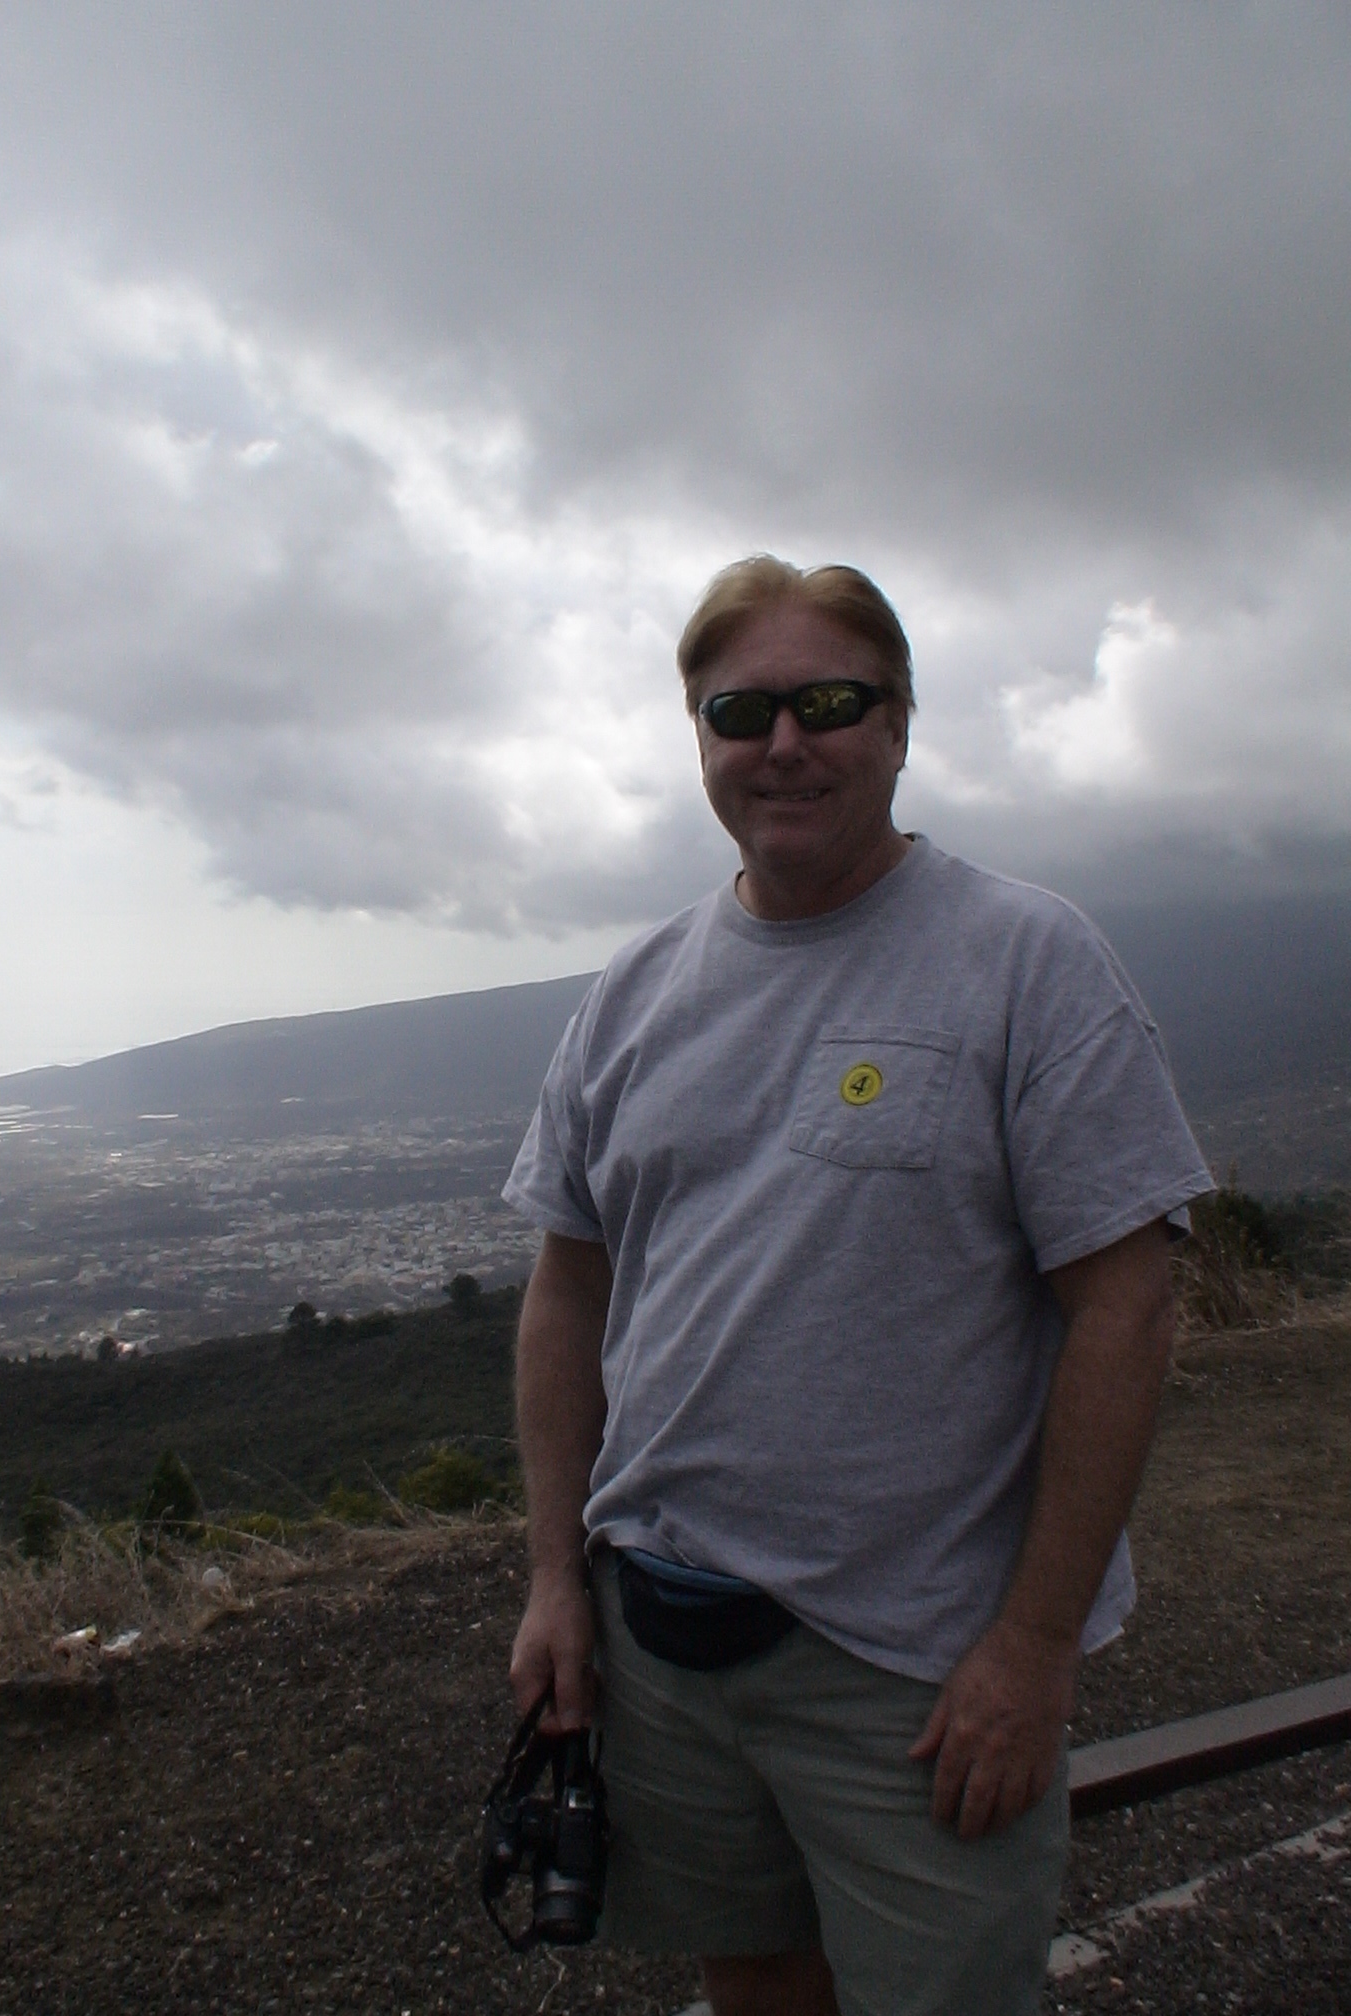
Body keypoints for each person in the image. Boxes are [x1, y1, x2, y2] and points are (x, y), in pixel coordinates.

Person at [501, 556, 1212, 2016]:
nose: (784, 743)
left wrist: (1034, 1650)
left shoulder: (1026, 960)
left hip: (916, 1669)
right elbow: (568, 1290)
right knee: (754, 1980)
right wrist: (556, 1578)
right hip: (662, 1642)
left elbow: (1125, 1309)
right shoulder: (633, 993)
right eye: (740, 711)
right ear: (699, 738)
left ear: (898, 723)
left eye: (828, 704)